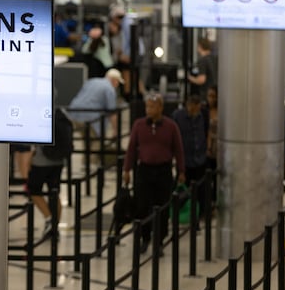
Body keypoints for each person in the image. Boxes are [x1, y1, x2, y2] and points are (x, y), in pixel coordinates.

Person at [123, 92, 185, 254]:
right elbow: (131, 149)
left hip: (163, 171)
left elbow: (178, 150)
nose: (148, 110)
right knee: (142, 206)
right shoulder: (139, 125)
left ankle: (159, 240)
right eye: (147, 106)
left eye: (152, 107)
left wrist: (181, 170)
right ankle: (144, 238)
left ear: (160, 108)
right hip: (144, 170)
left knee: (162, 207)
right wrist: (127, 169)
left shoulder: (171, 127)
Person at [172, 94, 208, 216]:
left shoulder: (203, 115)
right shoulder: (178, 116)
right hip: (185, 159)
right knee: (183, 188)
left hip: (200, 158)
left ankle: (201, 212)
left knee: (201, 188)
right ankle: (181, 212)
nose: (196, 110)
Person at [67, 68, 124, 138]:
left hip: (73, 112)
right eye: (118, 82)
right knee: (95, 143)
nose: (117, 85)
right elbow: (112, 112)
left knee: (84, 138)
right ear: (115, 80)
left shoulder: (92, 81)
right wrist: (116, 130)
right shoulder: (110, 89)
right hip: (91, 116)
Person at [26, 144, 64, 239]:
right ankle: (54, 226)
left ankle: (49, 220)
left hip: (40, 161)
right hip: (58, 160)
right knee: (54, 193)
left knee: (33, 191)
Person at [188, 37, 217, 103]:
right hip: (216, 94)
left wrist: (190, 78)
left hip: (206, 96)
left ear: (200, 46)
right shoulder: (215, 59)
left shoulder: (202, 61)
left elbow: (201, 80)